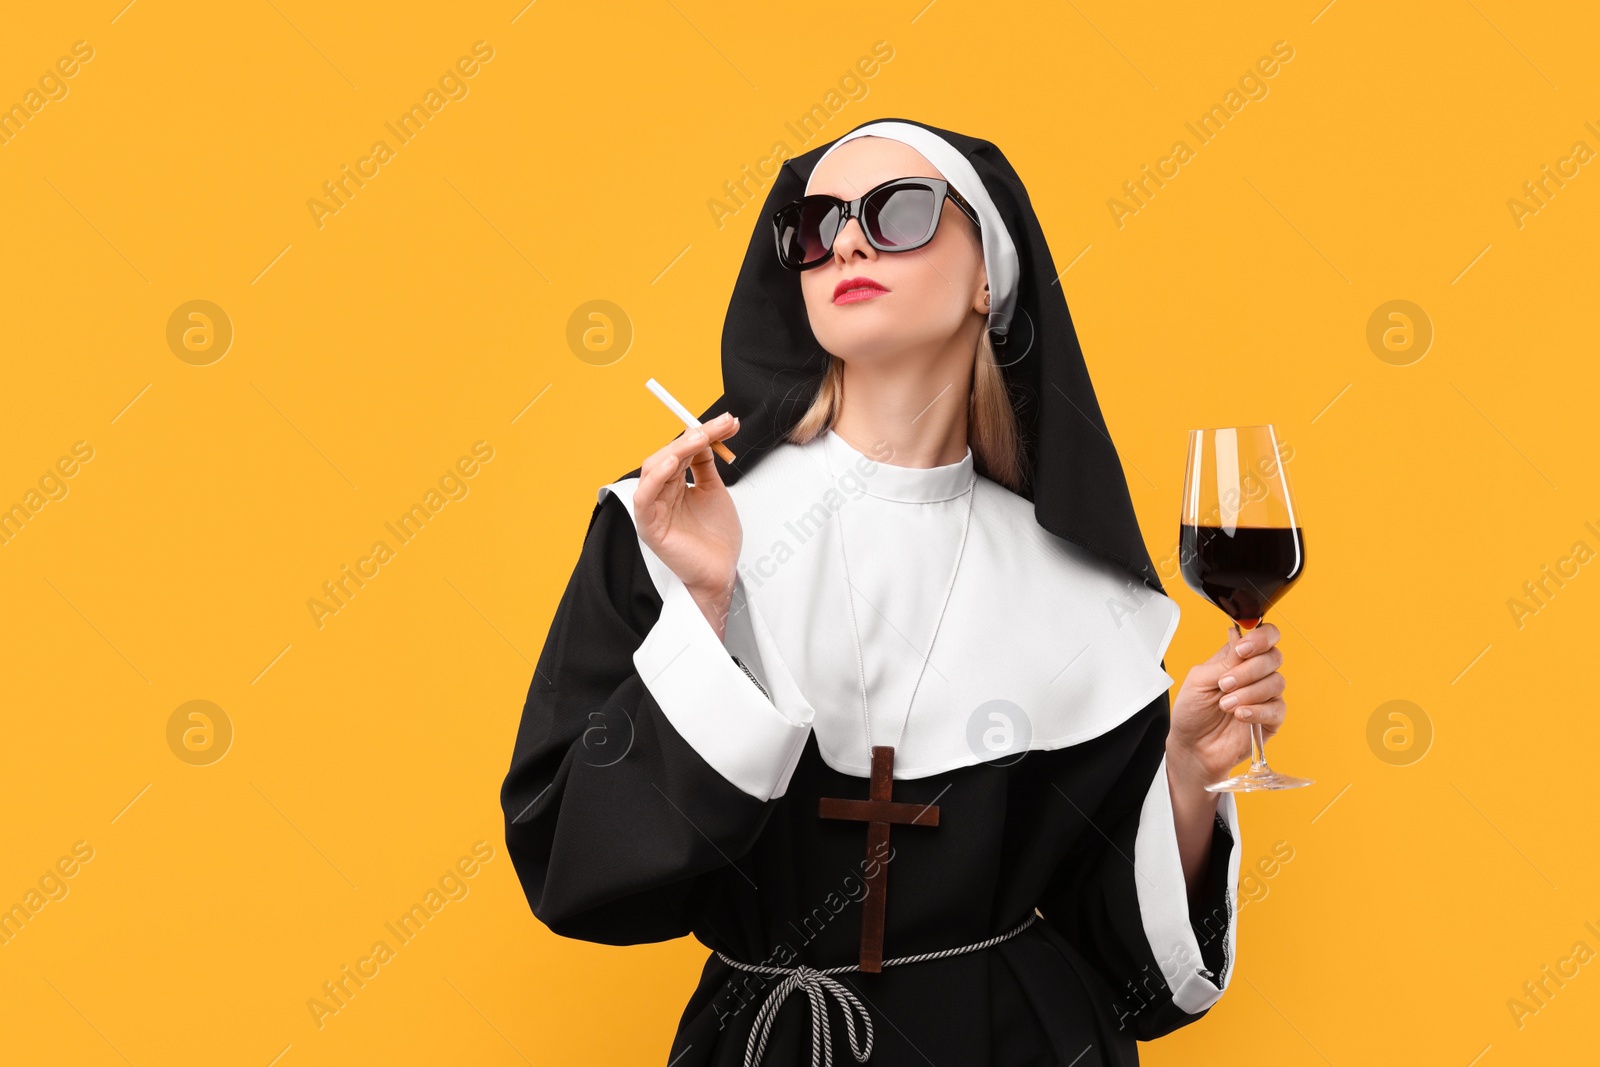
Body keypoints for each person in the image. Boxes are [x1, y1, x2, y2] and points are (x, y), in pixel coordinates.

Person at [500, 118, 1289, 1066]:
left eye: (900, 211)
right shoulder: (679, 525)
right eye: (816, 223)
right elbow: (574, 868)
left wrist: (1192, 772)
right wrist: (708, 608)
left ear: (990, 276)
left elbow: (1133, 976)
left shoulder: (1074, 590)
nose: (846, 241)